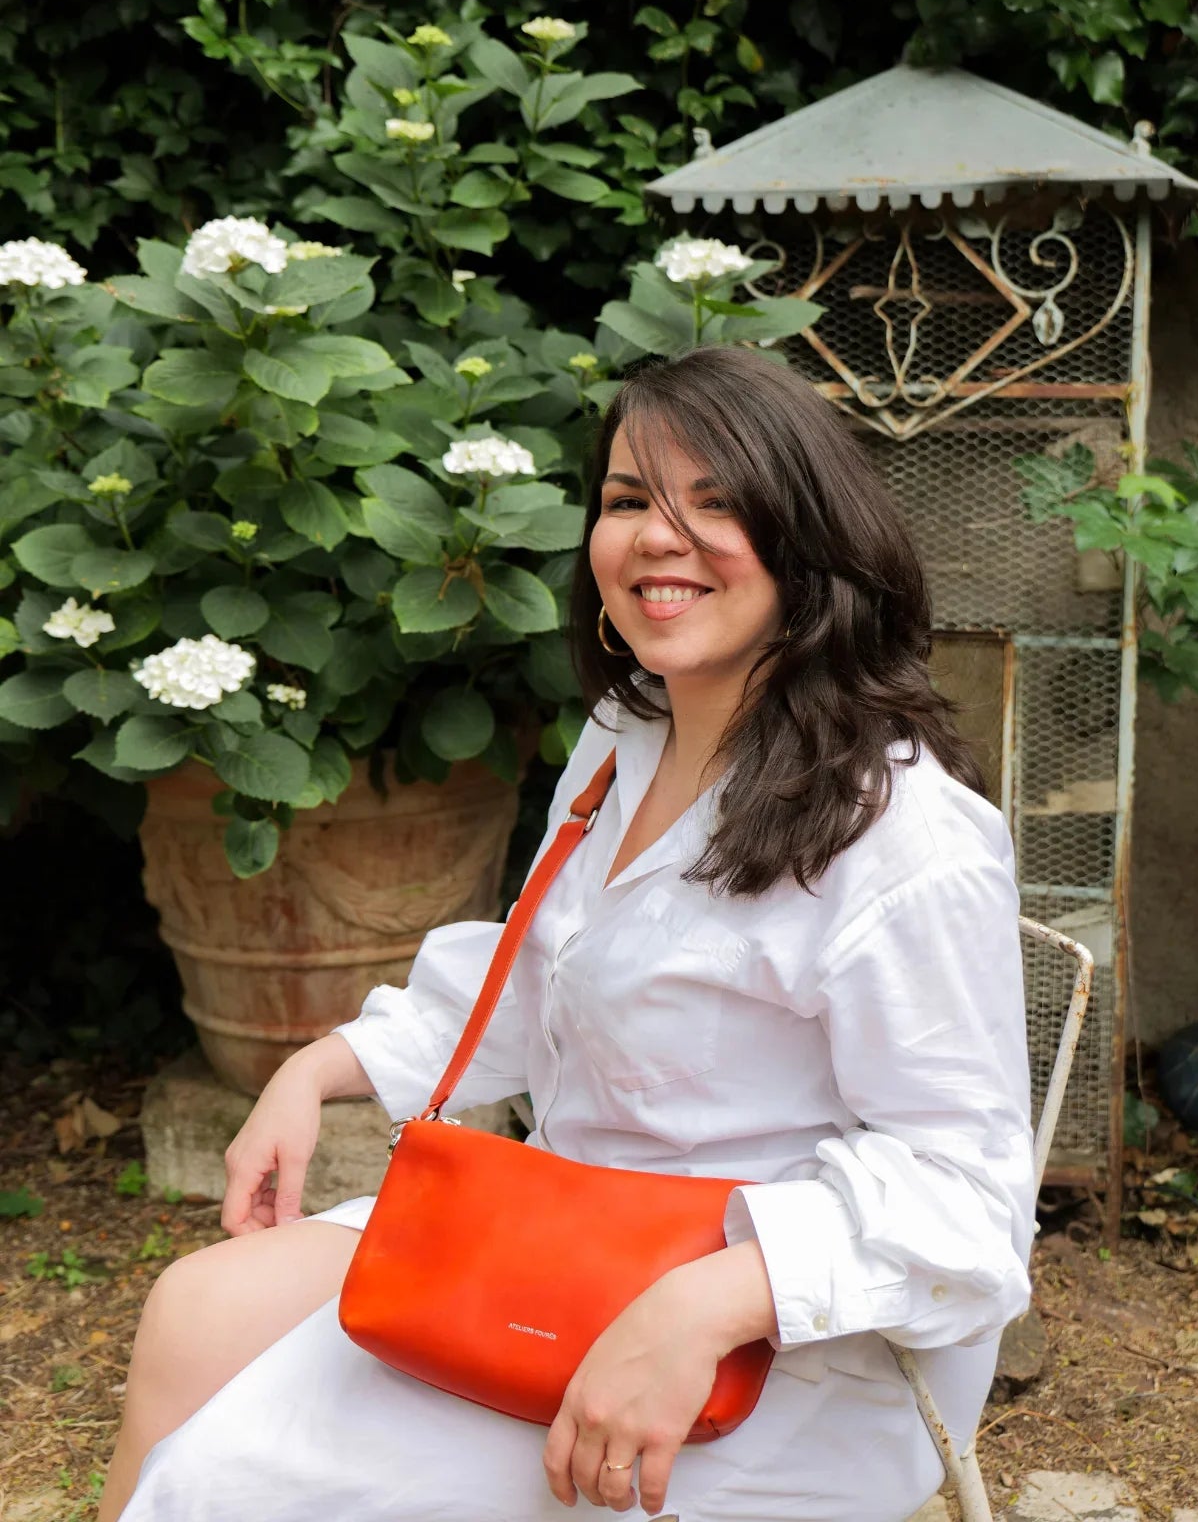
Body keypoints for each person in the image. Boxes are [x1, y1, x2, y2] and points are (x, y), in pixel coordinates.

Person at [101, 343, 1035, 1522]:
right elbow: (548, 963)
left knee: (230, 1481)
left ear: (809, 546)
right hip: (575, 1233)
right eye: (629, 499)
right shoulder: (626, 734)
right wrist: (318, 1069)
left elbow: (965, 1200)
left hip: (794, 1340)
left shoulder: (903, 840)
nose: (657, 536)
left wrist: (707, 1302)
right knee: (197, 1312)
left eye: (717, 503)